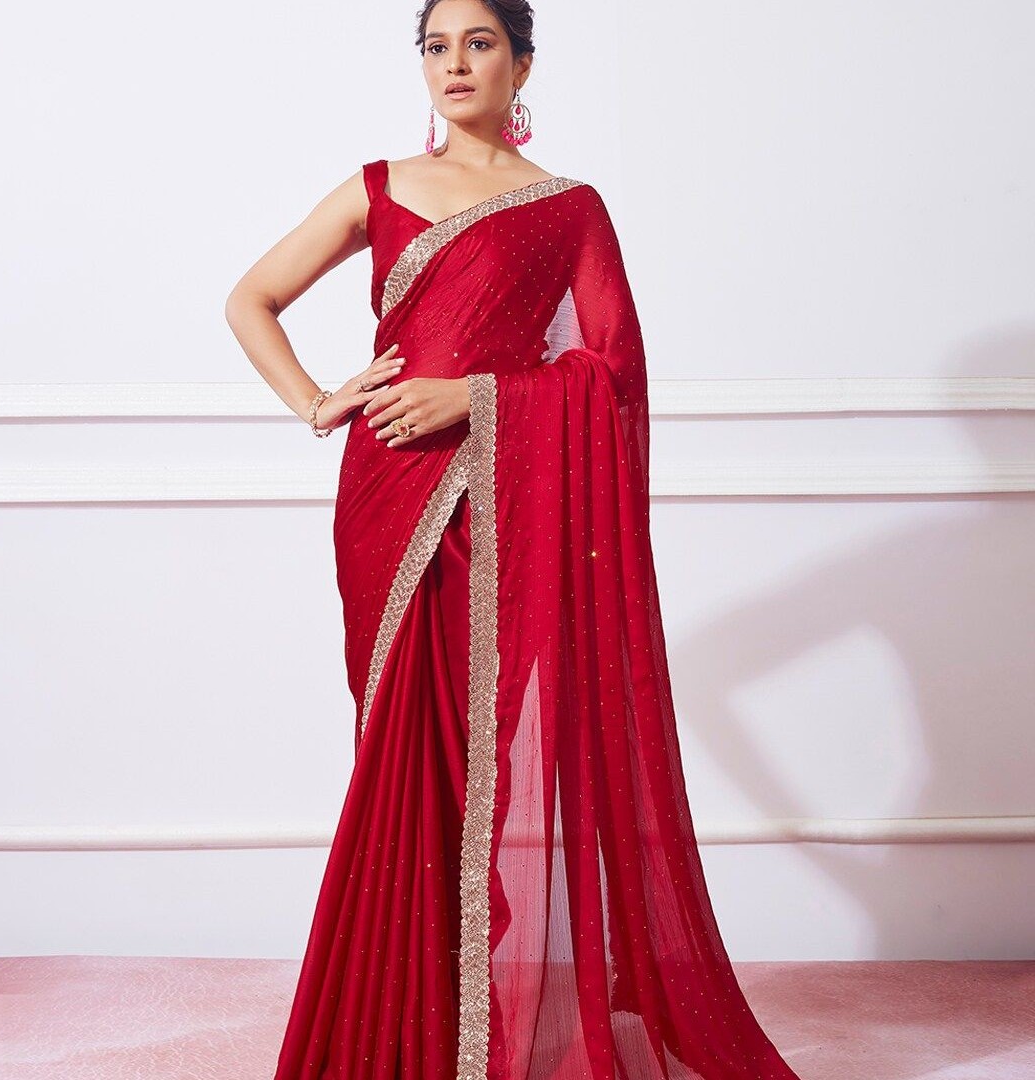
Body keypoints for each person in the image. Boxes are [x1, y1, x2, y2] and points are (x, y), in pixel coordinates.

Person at [225, 2, 805, 1078]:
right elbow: (250, 298)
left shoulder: (568, 209)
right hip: (387, 494)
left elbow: (613, 371)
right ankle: (399, 1026)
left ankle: (455, 1030)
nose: (454, 63)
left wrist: (475, 396)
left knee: (471, 758)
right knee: (396, 753)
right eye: (436, 46)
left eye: (479, 43)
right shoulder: (377, 187)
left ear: (523, 64)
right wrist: (316, 400)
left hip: (497, 506)